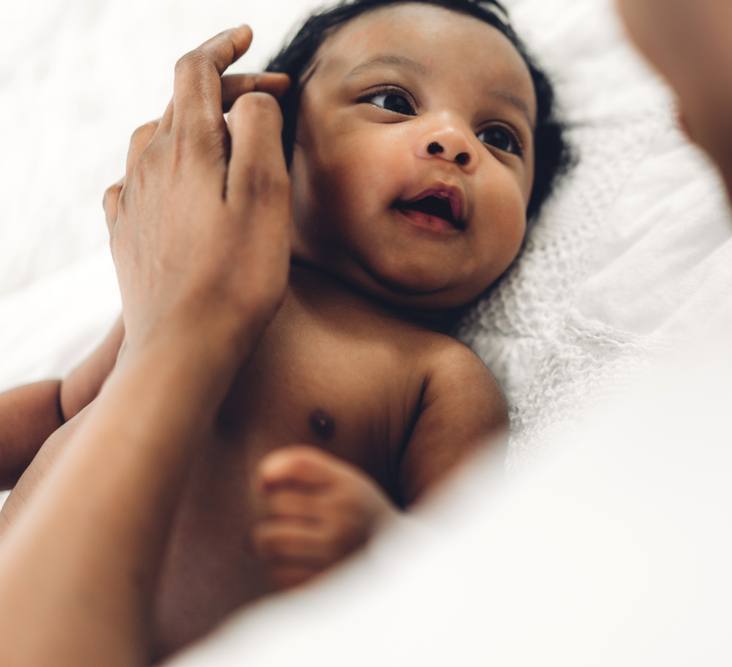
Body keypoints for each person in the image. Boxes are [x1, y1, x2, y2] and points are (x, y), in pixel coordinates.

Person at [0, 0, 568, 662]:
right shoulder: (181, 274)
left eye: (501, 138)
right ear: (274, 139)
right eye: (392, 100)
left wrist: (378, 539)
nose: (454, 143)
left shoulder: (439, 377)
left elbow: (464, 568)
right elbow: (65, 404)